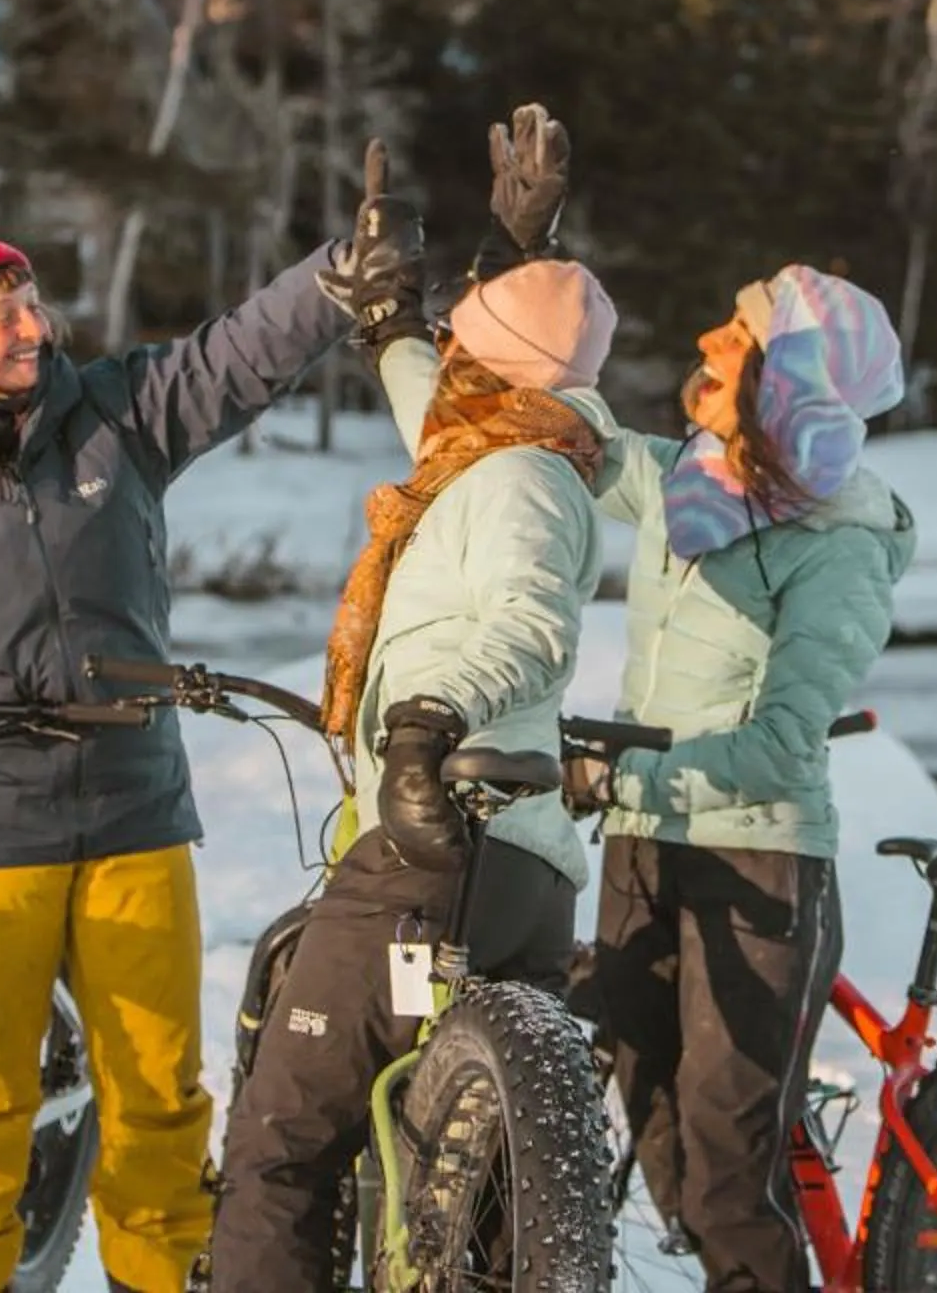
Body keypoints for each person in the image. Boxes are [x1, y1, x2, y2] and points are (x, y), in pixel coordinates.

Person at [0, 175, 421, 1293]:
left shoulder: (111, 414)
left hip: (133, 798)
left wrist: (334, 278)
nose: (33, 323)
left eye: (34, 299)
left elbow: (232, 356)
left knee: (159, 1097)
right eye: (2, 307)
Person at [205, 108, 614, 1287]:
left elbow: (528, 626)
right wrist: (390, 315)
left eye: (461, 335)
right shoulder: (502, 441)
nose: (444, 350)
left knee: (283, 1141)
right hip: (520, 860)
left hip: (439, 839)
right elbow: (433, 394)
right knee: (469, 1175)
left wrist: (421, 716)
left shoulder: (521, 478)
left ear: (497, 366)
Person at [567, 259, 916, 1293]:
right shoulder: (695, 479)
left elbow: (781, 744)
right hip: (644, 839)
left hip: (757, 857)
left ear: (794, 375)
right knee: (654, 1104)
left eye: (740, 331)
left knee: (729, 1168)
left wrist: (611, 778)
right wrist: (508, 270)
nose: (711, 341)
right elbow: (560, 432)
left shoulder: (841, 541)